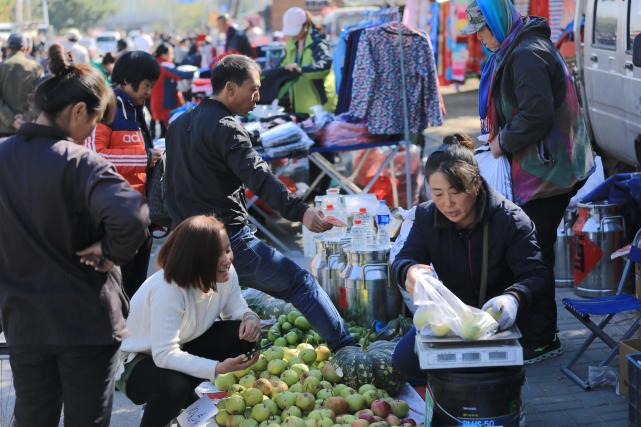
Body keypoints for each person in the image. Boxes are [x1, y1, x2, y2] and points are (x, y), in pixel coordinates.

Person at [0, 44, 149, 427]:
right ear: (77, 111)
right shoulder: (82, 163)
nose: (93, 131)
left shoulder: (4, 156)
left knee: (33, 417)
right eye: (95, 122)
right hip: (86, 320)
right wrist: (111, 250)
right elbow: (131, 214)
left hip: (24, 321)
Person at [165, 54, 354, 351]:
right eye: (252, 89)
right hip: (227, 241)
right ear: (230, 88)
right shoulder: (226, 127)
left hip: (186, 241)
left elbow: (167, 185)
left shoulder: (178, 124)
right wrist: (301, 212)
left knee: (211, 313)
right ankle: (347, 349)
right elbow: (260, 178)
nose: (257, 97)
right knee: (299, 283)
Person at [460, 0, 594, 362]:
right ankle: (536, 331)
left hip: (547, 171)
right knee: (531, 248)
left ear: (497, 22)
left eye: (483, 31)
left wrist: (502, 142)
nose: (481, 40)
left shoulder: (526, 53)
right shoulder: (515, 46)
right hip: (539, 166)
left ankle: (542, 337)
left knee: (532, 253)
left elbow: (536, 113)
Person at [391, 135, 550, 380]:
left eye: (456, 192)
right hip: (450, 319)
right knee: (405, 361)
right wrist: (410, 272)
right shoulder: (426, 217)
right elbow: (404, 258)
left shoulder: (510, 219)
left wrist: (514, 298)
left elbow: (537, 274)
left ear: (475, 184)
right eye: (438, 193)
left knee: (489, 378)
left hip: (498, 323)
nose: (447, 203)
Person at [116, 215, 260, 426]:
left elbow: (236, 308)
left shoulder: (224, 272)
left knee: (242, 336)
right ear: (195, 259)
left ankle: (189, 406)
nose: (226, 259)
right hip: (136, 359)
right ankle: (167, 405)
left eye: (227, 249)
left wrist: (250, 317)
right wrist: (217, 368)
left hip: (182, 343)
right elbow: (164, 355)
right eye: (216, 255)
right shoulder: (168, 289)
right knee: (174, 387)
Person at [85, 50, 161, 298]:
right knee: (116, 290)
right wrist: (144, 159)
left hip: (137, 213)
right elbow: (96, 156)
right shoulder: (107, 107)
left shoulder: (135, 108)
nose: (149, 92)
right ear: (127, 81)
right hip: (114, 215)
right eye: (146, 86)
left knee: (134, 288)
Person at [279, 7, 336, 114]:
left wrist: (301, 69)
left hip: (320, 106)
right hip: (299, 106)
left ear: (305, 24)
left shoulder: (318, 41)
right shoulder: (290, 44)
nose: (293, 34)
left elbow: (325, 66)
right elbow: (282, 66)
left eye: (296, 29)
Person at [0, 33, 43, 137]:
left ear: (8, 48)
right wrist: (25, 118)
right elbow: (40, 97)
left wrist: (12, 119)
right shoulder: (36, 66)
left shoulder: (2, 66)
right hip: (29, 127)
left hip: (4, 128)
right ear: (25, 48)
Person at [150, 44, 195, 137]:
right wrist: (197, 72)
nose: (173, 56)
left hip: (159, 100)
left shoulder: (156, 63)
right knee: (169, 132)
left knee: (165, 130)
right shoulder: (164, 66)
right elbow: (179, 75)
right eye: (171, 53)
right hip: (165, 102)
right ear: (163, 55)